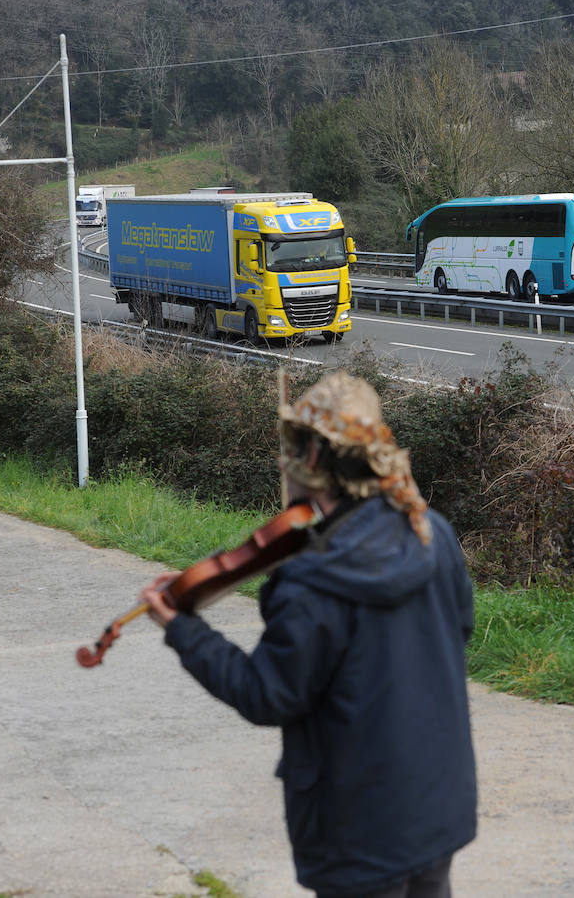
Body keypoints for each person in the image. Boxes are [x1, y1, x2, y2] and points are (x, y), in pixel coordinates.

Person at [139, 371, 477, 898]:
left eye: (290, 448)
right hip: (436, 802)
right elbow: (458, 634)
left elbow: (266, 694)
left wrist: (183, 629)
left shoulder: (312, 579)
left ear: (313, 460)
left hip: (355, 824)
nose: (281, 461)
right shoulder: (431, 532)